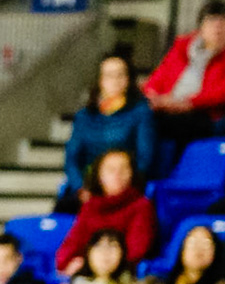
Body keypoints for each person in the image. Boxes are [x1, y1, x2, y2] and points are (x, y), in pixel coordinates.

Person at [144, 0, 225, 149]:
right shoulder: (181, 46)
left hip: (205, 113)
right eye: (211, 22)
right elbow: (158, 77)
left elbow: (224, 92)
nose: (217, 28)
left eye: (222, 23)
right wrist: (153, 96)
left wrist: (185, 103)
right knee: (140, 115)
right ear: (201, 26)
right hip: (166, 106)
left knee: (168, 124)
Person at [61, 55, 157, 209]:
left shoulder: (141, 112)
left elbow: (144, 158)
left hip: (124, 187)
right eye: (109, 76)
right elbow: (71, 158)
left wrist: (120, 184)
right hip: (88, 187)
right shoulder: (84, 116)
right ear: (100, 80)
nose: (115, 81)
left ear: (128, 79)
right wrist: (80, 188)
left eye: (121, 75)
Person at [56, 149, 159, 273]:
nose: (117, 175)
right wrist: (67, 263)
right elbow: (73, 243)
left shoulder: (141, 206)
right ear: (99, 175)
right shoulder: (90, 206)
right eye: (111, 170)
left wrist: (94, 266)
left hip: (120, 274)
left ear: (132, 174)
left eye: (124, 169)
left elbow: (136, 251)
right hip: (86, 271)